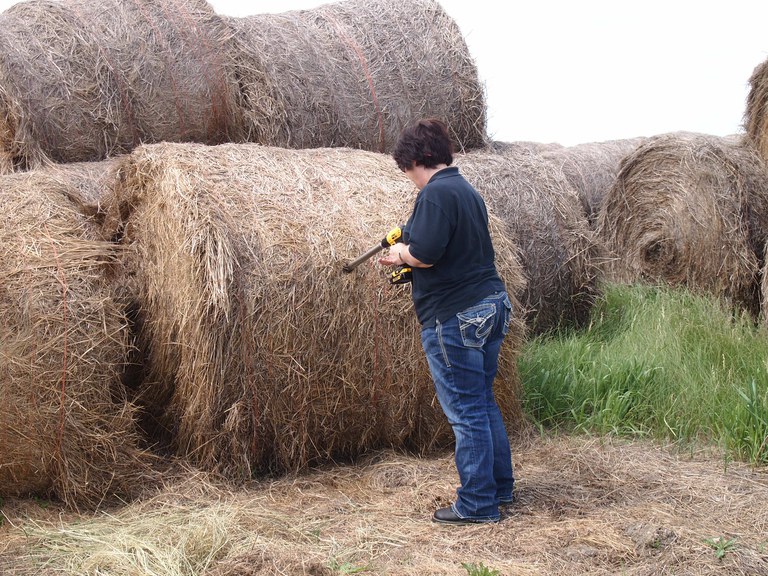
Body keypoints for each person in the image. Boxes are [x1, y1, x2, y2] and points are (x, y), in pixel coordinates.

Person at [379, 118, 515, 525]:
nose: (409, 180)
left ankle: (477, 504)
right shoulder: (466, 190)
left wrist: (402, 255)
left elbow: (427, 253)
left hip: (456, 316)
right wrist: (409, 240)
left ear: (418, 160)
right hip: (490, 304)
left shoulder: (435, 193)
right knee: (482, 402)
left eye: (408, 171)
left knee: (466, 412)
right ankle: (499, 488)